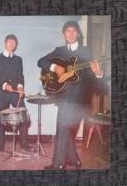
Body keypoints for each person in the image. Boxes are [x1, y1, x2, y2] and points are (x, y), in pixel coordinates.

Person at [37, 21, 104, 170]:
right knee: (65, 130)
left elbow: (91, 79)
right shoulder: (59, 51)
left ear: (78, 34)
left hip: (79, 100)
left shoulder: (86, 51)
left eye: (74, 31)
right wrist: (55, 67)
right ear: (64, 34)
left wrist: (98, 73)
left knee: (62, 129)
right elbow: (40, 62)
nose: (71, 34)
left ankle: (58, 165)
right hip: (64, 98)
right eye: (68, 31)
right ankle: (75, 161)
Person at [0, 34, 31, 152]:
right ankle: (1, 145)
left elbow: (20, 76)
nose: (11, 44)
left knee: (23, 117)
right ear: (5, 43)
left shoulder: (18, 60)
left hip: (15, 94)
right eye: (9, 42)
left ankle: (24, 145)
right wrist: (4, 85)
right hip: (2, 93)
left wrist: (20, 87)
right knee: (2, 118)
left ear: (16, 45)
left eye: (14, 43)